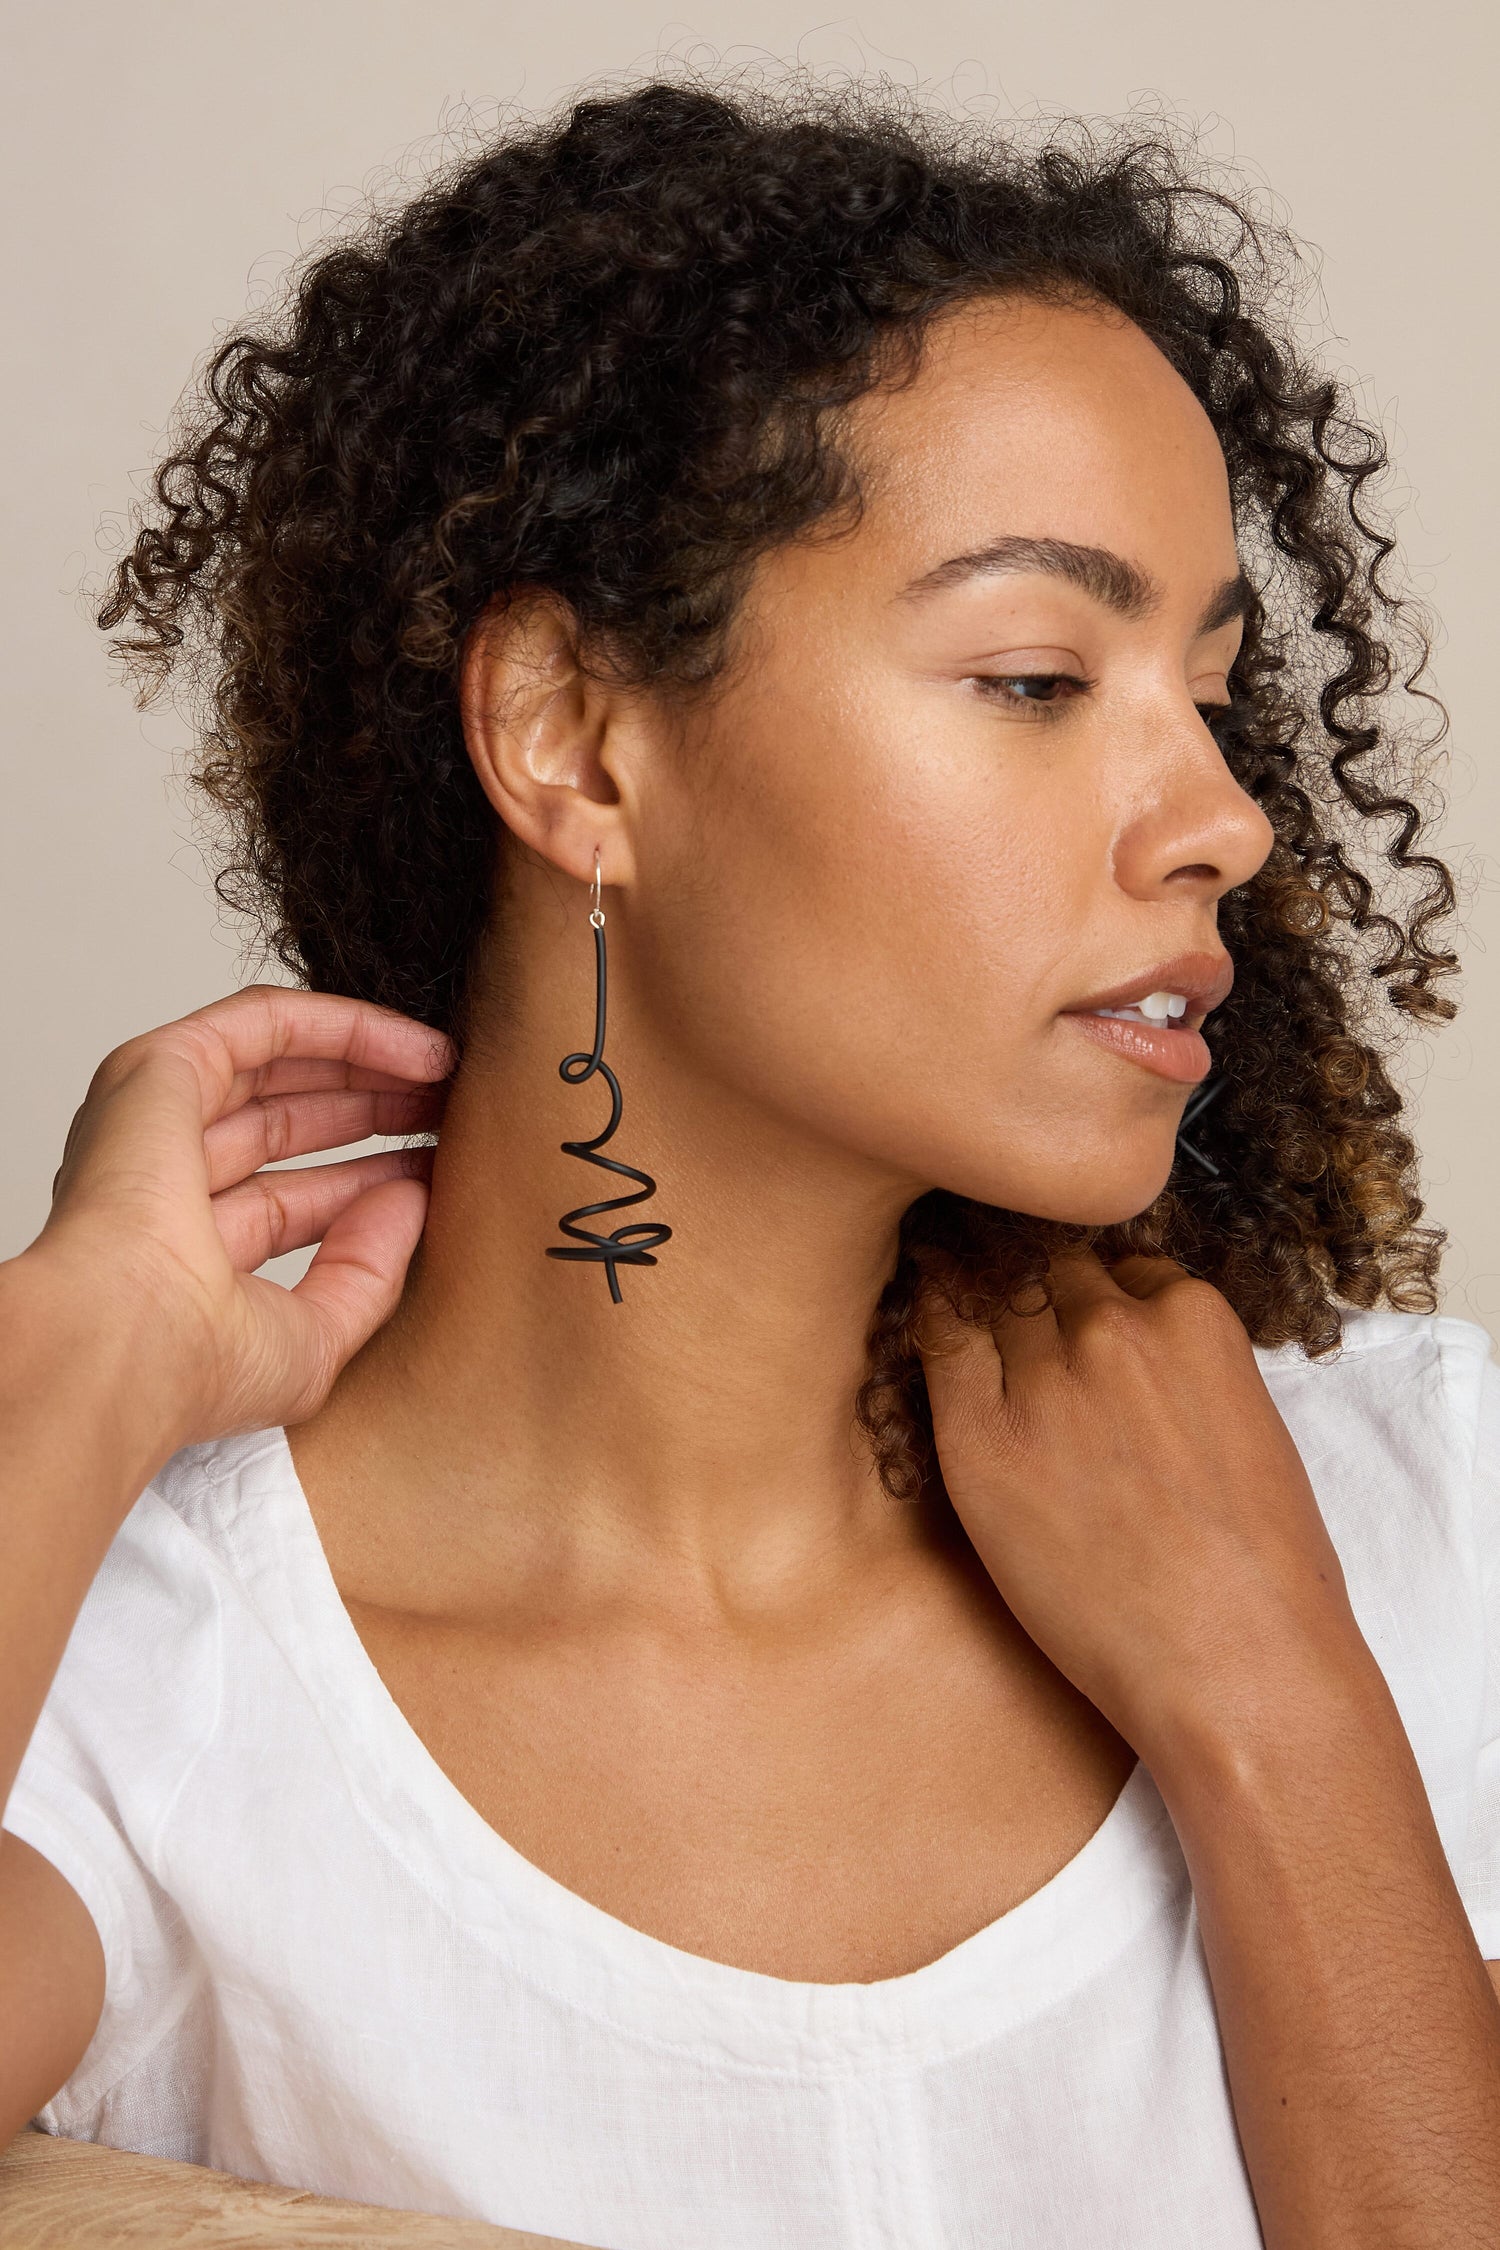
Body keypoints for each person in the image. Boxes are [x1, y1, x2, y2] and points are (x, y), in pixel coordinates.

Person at [2, 69, 1499, 2250]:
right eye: (1030, 674)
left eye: (1209, 684)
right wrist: (78, 1356)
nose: (1225, 818)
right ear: (576, 741)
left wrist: (1280, 1713)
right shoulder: (137, 1687)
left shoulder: (1427, 1524)